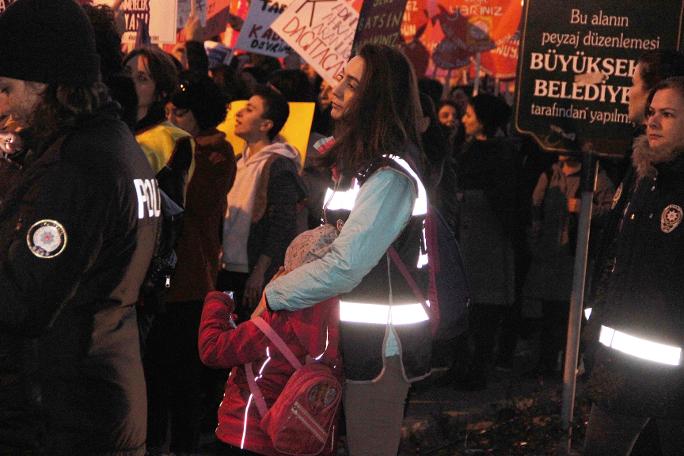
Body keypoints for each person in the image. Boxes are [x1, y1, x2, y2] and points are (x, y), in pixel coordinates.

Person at [254, 44, 431, 456]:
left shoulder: (390, 177)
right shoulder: (357, 166)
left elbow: (346, 265)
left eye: (351, 85)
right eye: (341, 79)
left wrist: (274, 295)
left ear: (375, 100)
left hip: (380, 351)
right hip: (347, 343)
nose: (336, 90)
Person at [0, 0, 160, 454]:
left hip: (65, 416)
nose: (4, 102)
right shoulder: (113, 145)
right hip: (94, 401)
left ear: (42, 80)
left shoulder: (79, 167)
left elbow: (22, 301)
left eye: (8, 88)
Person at [582, 77, 684, 456]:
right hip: (620, 369)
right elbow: (612, 262)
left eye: (668, 114)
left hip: (675, 378)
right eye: (652, 112)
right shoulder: (642, 177)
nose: (653, 122)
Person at [142, 72, 236, 456]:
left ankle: (178, 446)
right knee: (157, 376)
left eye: (178, 113)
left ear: (197, 116)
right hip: (169, 277)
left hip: (188, 279)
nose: (171, 120)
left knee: (179, 379)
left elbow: (192, 202)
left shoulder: (212, 153)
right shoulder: (179, 147)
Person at [199, 224, 341, 456]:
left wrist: (217, 302)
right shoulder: (332, 324)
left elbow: (212, 350)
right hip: (297, 438)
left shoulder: (274, 322)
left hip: (248, 435)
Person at [450, 93, 520, 390]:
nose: (464, 118)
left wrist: (469, 200)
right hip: (465, 240)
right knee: (462, 307)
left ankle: (478, 367)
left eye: (470, 114)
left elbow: (505, 202)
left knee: (483, 311)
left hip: (486, 243)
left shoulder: (499, 154)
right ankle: (460, 365)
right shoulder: (464, 149)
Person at [218, 85, 305, 320]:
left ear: (266, 125)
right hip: (226, 267)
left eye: (249, 109)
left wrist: (260, 271)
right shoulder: (237, 161)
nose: (239, 113)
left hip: (253, 272)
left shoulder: (279, 165)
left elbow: (282, 224)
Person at [522, 154, 613, 376]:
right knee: (549, 313)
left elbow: (611, 210)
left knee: (569, 314)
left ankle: (569, 364)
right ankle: (545, 362)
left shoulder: (595, 178)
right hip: (550, 255)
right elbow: (535, 209)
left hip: (574, 257)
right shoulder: (550, 174)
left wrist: (585, 208)